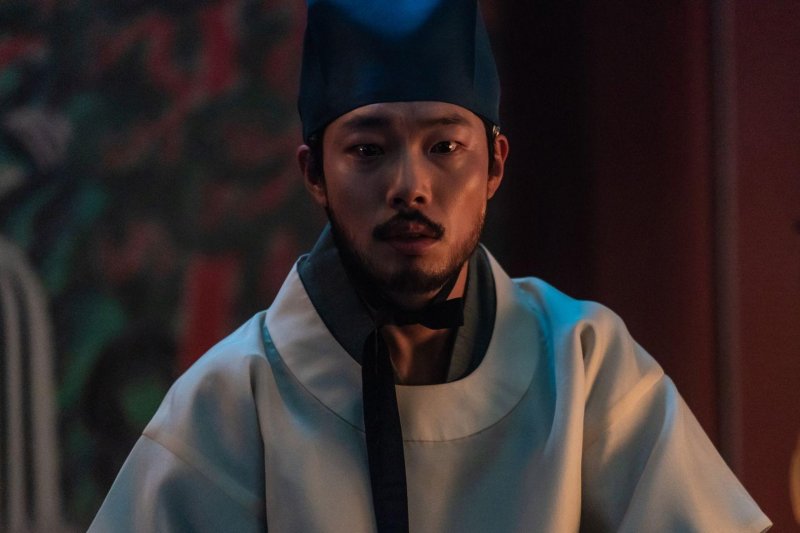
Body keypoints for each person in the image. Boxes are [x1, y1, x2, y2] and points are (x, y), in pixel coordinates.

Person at [89, 1, 772, 531]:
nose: (410, 186)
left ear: (494, 164)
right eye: (368, 150)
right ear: (314, 173)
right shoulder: (229, 403)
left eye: (445, 147)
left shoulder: (585, 364)